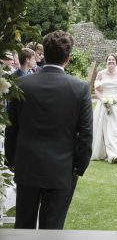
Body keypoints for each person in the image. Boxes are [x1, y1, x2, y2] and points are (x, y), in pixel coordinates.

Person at [4, 30, 93, 229]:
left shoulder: (22, 84)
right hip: (61, 168)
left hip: (27, 166)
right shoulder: (79, 88)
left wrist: (11, 160)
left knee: (24, 226)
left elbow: (11, 128)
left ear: (42, 54)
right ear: (68, 58)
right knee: (52, 228)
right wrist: (79, 167)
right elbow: (86, 134)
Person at [91, 54, 117, 164]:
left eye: (112, 59)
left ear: (116, 61)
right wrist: (103, 100)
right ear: (106, 61)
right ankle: (112, 155)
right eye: (109, 60)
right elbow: (97, 90)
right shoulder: (101, 74)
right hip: (105, 103)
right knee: (107, 128)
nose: (111, 61)